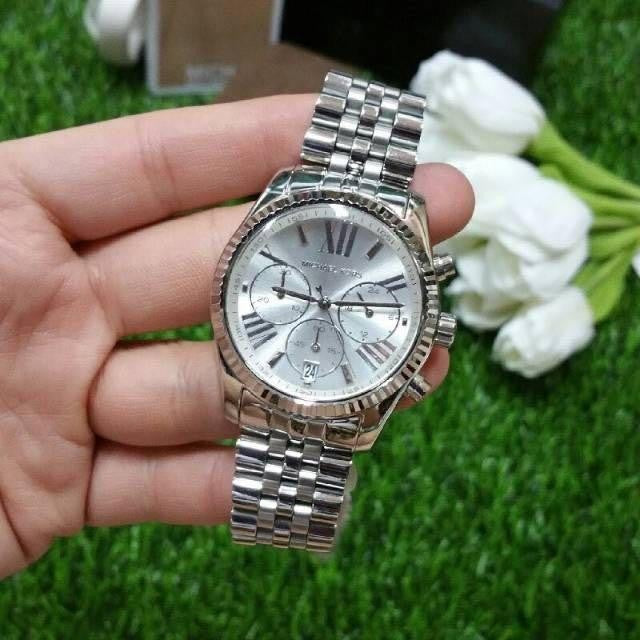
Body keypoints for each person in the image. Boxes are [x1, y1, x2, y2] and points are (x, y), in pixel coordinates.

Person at [0, 94, 474, 578]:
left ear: (429, 325)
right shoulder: (280, 214)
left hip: (309, 384)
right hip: (284, 379)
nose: (325, 301)